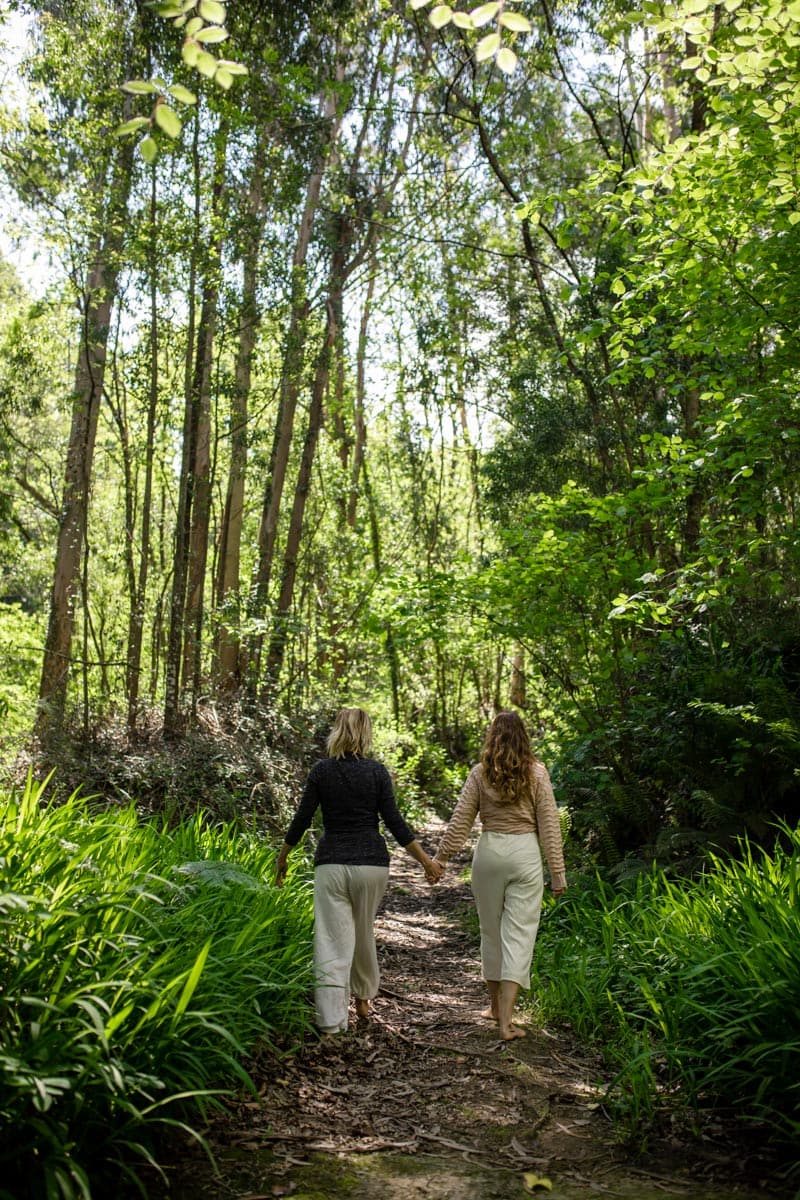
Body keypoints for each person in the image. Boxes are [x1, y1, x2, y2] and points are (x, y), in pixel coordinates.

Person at [275, 706, 441, 1035]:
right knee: (363, 931)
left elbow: (302, 818)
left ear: (337, 730)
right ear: (366, 733)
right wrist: (427, 862)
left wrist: (283, 857)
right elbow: (395, 823)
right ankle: (364, 999)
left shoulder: (321, 771)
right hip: (371, 866)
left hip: (332, 864)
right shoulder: (377, 772)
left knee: (331, 942)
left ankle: (332, 1022)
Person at [433, 711, 566, 1041]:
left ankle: (493, 1008)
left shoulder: (481, 773)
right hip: (525, 853)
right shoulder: (537, 772)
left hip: (490, 852)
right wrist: (558, 873)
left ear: (493, 736)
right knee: (519, 935)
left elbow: (461, 821)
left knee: (491, 932)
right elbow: (549, 826)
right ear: (524, 736)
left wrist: (440, 858)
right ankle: (506, 1022)